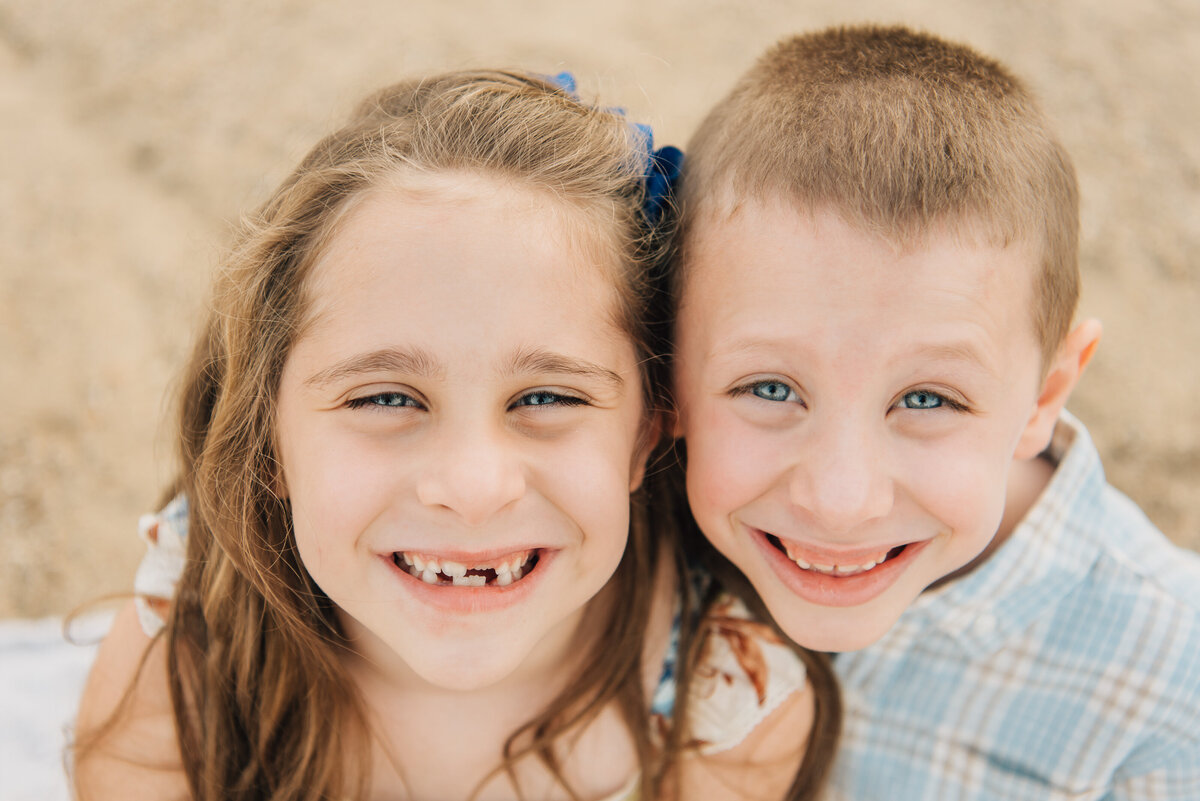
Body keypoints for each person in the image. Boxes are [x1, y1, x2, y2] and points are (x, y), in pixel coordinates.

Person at [72, 69, 837, 801]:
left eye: (545, 395)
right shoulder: (184, 661)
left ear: (646, 432)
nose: (472, 486)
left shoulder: (726, 696)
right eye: (385, 398)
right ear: (267, 436)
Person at [669, 25, 1200, 800]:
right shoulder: (629, 547)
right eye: (772, 389)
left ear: (1044, 398)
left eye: (927, 399)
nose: (841, 500)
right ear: (671, 375)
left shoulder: (1175, 687)